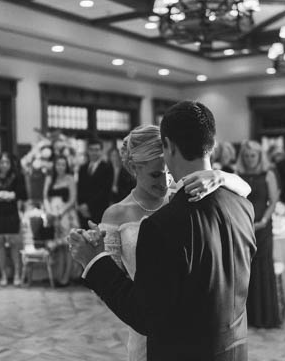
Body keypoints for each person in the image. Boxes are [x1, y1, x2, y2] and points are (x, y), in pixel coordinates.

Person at [69, 102, 256, 361]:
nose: (166, 180)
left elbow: (144, 314)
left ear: (169, 147)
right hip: (230, 347)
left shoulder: (162, 224)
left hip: (176, 344)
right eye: (156, 175)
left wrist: (91, 260)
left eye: (166, 172)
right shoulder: (243, 206)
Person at [236, 140, 281, 328]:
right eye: (246, 156)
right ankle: (250, 317)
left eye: (252, 155)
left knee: (263, 269)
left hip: (263, 229)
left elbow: (274, 200)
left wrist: (263, 221)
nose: (249, 159)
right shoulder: (237, 175)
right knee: (246, 270)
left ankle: (266, 317)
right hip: (243, 229)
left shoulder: (268, 174)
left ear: (259, 156)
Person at [0, 152, 28, 286]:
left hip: (11, 214)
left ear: (11, 164)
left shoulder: (17, 176)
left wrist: (10, 195)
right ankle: (3, 275)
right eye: (2, 162)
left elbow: (22, 194)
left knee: (15, 244)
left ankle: (16, 274)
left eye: (7, 162)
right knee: (0, 245)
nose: (4, 165)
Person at [43, 155, 82, 286]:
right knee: (58, 249)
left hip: (66, 215)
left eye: (63, 164)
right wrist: (50, 211)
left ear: (67, 166)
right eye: (58, 164)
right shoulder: (49, 179)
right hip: (52, 216)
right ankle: (58, 276)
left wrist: (60, 212)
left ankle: (66, 276)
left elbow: (72, 199)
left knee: (67, 246)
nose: (60, 167)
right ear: (54, 165)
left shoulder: (70, 179)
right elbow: (45, 197)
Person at [77, 137, 113, 227]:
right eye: (91, 150)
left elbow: (105, 191)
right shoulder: (82, 168)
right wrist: (81, 206)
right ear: (88, 151)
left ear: (101, 151)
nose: (94, 152)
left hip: (99, 210)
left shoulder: (107, 167)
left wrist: (88, 206)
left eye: (97, 150)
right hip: (83, 212)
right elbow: (79, 188)